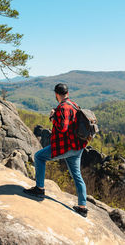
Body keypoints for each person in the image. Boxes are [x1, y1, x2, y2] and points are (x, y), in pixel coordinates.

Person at [23, 83, 89, 217]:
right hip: (77, 146)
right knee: (77, 175)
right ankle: (82, 207)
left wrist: (53, 117)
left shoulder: (63, 107)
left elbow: (63, 127)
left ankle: (39, 189)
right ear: (67, 93)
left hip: (66, 146)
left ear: (56, 94)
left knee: (39, 157)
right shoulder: (73, 104)